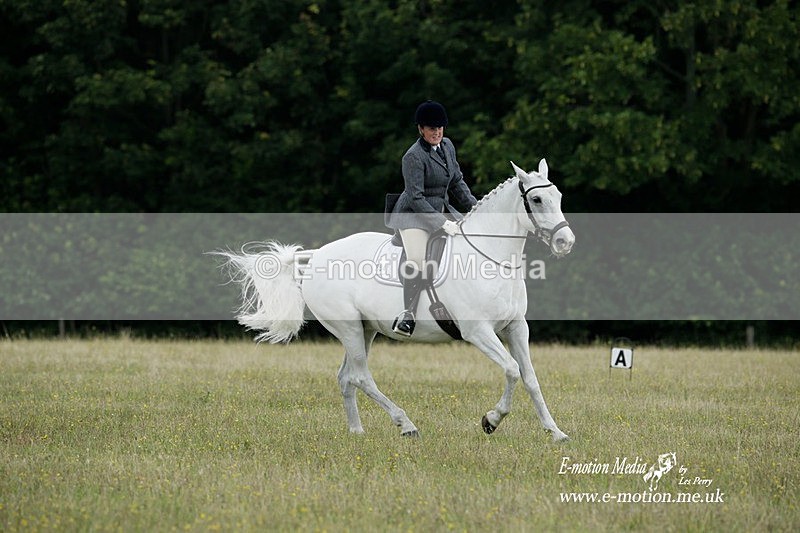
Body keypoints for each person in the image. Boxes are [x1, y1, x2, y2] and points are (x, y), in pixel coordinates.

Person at [385, 100, 478, 336]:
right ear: (421, 129)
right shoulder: (413, 157)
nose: (436, 132)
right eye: (431, 128)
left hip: (442, 208)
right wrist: (441, 222)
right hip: (413, 216)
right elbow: (416, 198)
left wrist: (477, 208)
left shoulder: (447, 146)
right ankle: (408, 315)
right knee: (416, 259)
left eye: (440, 127)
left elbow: (457, 182)